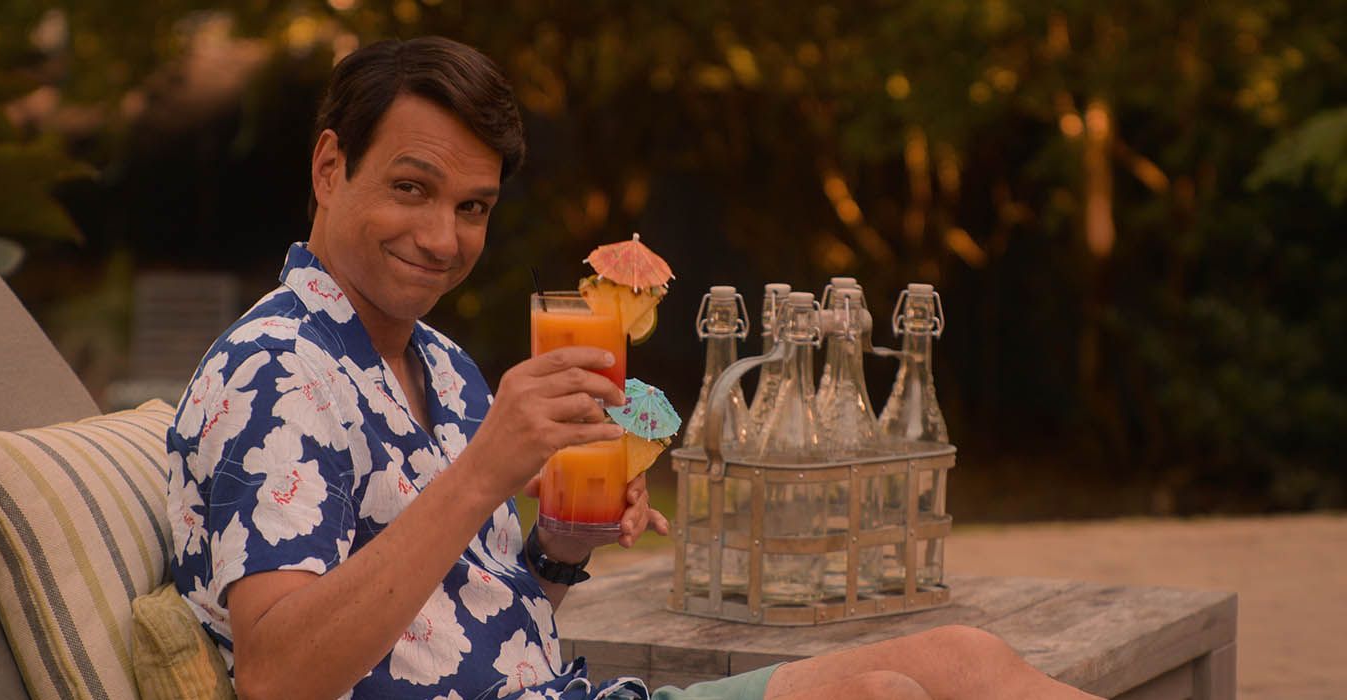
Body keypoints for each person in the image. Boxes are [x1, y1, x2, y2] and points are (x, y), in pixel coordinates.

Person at [166, 36, 1101, 700]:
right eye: (411, 189)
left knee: (967, 662)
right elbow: (282, 677)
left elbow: (476, 612)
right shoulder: (273, 373)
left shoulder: (441, 365)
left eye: (474, 207)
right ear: (331, 167)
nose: (442, 238)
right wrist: (484, 474)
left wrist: (561, 547)